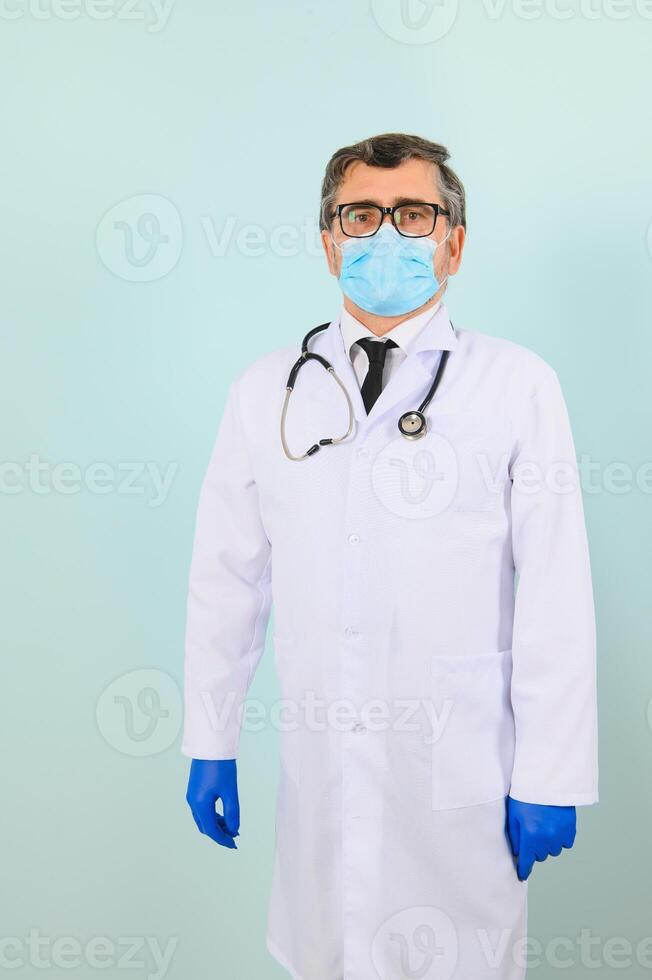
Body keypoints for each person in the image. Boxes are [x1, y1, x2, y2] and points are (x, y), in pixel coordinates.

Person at [182, 133, 598, 980]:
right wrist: (210, 735)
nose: (386, 236)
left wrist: (552, 769)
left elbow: (556, 587)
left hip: (461, 766)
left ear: (454, 240)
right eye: (360, 216)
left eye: (414, 214)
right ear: (328, 239)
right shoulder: (267, 391)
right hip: (322, 761)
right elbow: (226, 577)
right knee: (324, 950)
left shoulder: (518, 385)